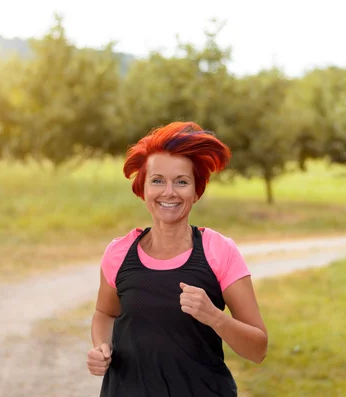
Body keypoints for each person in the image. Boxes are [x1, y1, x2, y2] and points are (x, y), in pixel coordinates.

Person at [86, 121, 268, 396]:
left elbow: (258, 349)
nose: (168, 192)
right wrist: (102, 347)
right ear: (142, 189)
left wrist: (214, 317)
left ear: (196, 192)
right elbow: (105, 313)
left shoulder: (218, 251)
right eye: (157, 180)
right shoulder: (119, 253)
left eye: (181, 182)